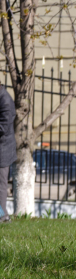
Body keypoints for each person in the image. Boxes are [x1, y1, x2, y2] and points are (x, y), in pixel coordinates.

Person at [0, 85, 15, 223]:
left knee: (1, 184)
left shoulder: (5, 100)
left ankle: (2, 216)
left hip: (3, 150)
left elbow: (3, 127)